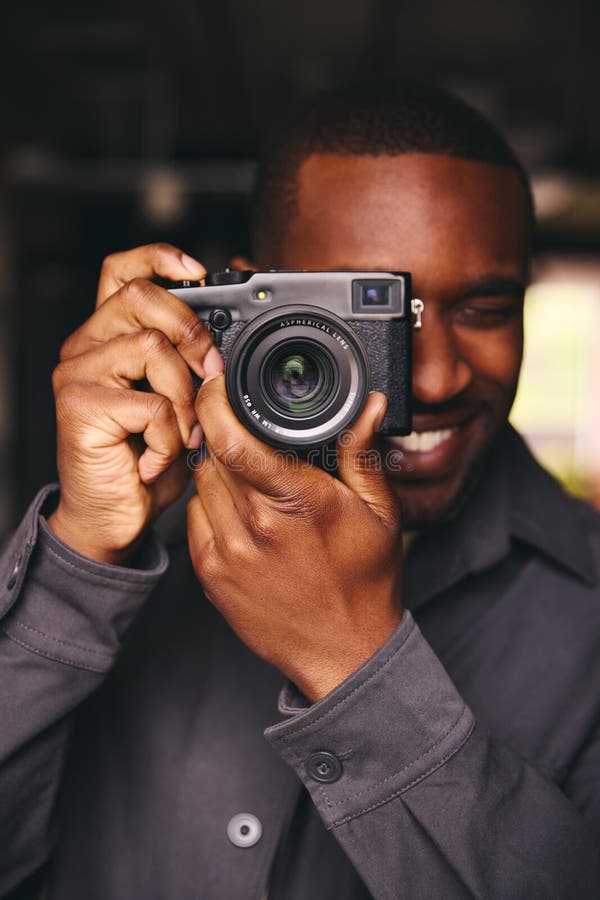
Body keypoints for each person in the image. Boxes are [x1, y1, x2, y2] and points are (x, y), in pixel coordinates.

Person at [1, 81, 599, 900]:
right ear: (246, 307)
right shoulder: (124, 536)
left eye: (485, 307)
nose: (431, 377)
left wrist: (354, 661)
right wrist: (78, 563)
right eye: (369, 313)